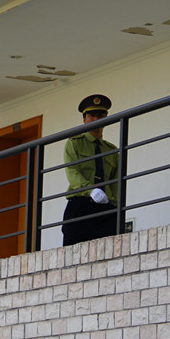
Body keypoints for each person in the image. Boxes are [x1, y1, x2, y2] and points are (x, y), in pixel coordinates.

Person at [62, 94, 119, 246]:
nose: (96, 119)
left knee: (109, 250)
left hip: (105, 207)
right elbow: (72, 172)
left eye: (100, 115)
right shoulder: (75, 143)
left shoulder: (111, 150)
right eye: (91, 115)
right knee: (73, 251)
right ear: (84, 118)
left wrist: (116, 206)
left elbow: (116, 182)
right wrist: (90, 190)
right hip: (81, 204)